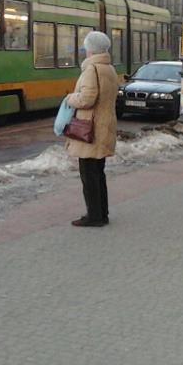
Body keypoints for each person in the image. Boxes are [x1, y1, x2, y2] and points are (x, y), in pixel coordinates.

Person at [64, 30, 117, 227]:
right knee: (98, 172)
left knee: (88, 174)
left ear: (90, 50)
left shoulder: (91, 70)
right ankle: (102, 212)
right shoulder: (109, 69)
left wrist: (70, 98)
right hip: (104, 126)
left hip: (90, 129)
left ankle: (94, 216)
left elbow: (87, 98)